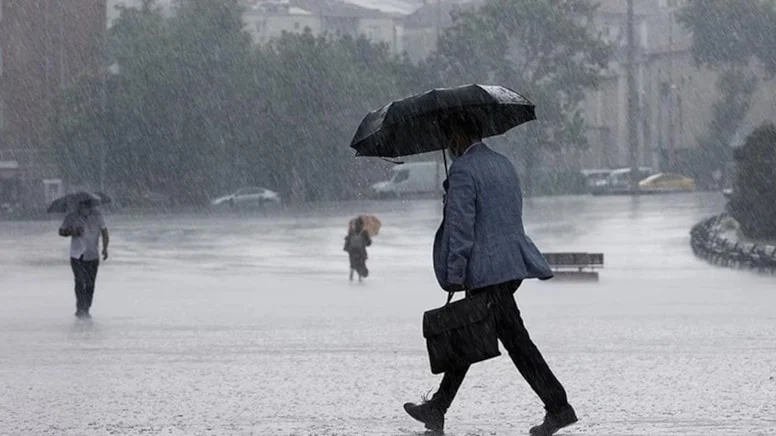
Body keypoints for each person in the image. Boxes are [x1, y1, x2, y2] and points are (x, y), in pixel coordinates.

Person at [403, 114, 577, 436]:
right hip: (509, 266)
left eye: (449, 138)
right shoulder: (503, 164)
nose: (448, 145)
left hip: (486, 272)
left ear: (458, 135)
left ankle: (559, 407)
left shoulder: (463, 171)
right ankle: (437, 408)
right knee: (470, 335)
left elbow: (461, 229)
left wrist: (455, 273)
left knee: (513, 342)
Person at [58, 198, 109, 318]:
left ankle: (86, 307)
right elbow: (61, 231)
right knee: (80, 281)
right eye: (81, 206)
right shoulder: (71, 217)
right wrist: (72, 232)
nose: (83, 208)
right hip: (77, 255)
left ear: (90, 206)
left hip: (92, 255)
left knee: (90, 283)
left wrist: (105, 248)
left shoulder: (98, 217)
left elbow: (105, 232)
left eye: (86, 206)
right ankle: (80, 307)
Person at [343, 217, 371, 282]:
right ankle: (360, 278)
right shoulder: (364, 232)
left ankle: (351, 275)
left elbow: (347, 241)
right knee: (361, 263)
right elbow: (368, 243)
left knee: (352, 263)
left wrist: (347, 249)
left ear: (355, 224)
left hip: (352, 251)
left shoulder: (351, 231)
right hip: (361, 251)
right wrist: (368, 240)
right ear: (362, 224)